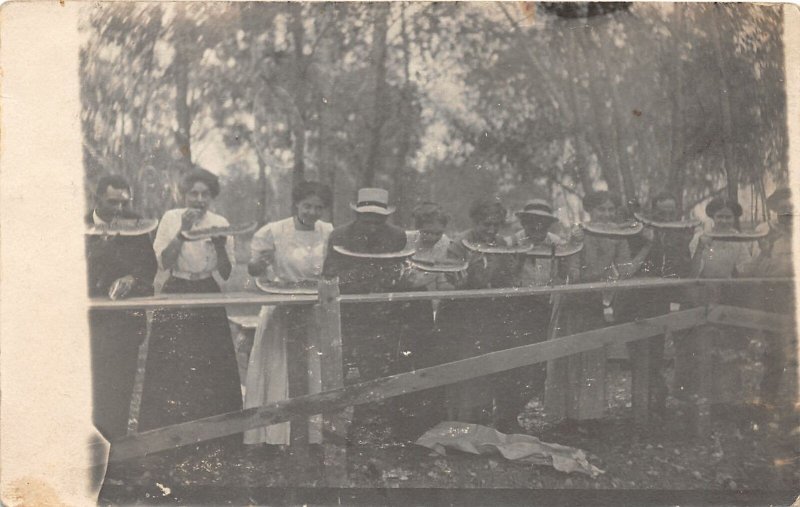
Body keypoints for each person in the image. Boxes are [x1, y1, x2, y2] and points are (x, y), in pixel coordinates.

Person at [138, 168, 242, 452]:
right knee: (171, 363)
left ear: (212, 197)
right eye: (193, 193)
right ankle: (164, 437)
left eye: (204, 194)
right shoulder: (171, 218)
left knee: (211, 364)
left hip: (207, 290)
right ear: (184, 196)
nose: (198, 199)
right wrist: (182, 234)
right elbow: (165, 263)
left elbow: (227, 272)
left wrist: (220, 246)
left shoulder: (220, 222)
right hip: (177, 289)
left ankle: (215, 438)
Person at [321, 188, 421, 441]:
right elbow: (329, 273)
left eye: (378, 220)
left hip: (382, 318)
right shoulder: (339, 235)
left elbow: (401, 272)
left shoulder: (397, 236)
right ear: (357, 215)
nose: (373, 225)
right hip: (347, 315)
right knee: (338, 372)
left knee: (375, 375)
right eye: (367, 219)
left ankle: (365, 430)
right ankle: (331, 430)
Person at [545, 191, 652, 424]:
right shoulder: (578, 232)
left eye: (611, 209)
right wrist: (574, 244)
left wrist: (646, 247)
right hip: (572, 303)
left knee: (592, 360)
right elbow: (572, 274)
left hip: (594, 304)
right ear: (590, 210)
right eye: (601, 209)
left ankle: (588, 417)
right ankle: (563, 419)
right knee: (569, 358)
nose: (606, 214)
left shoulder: (618, 237)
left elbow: (623, 271)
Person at [243, 182, 333, 448]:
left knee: (311, 367)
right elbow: (254, 270)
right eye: (307, 205)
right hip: (281, 305)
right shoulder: (273, 231)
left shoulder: (328, 232)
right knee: (279, 366)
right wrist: (260, 264)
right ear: (297, 204)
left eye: (318, 207)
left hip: (315, 307)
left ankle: (311, 436)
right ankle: (274, 436)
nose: (312, 212)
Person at [435, 198, 524, 432]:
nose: (491, 230)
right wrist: (468, 275)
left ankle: (483, 423)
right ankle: (460, 422)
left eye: (496, 225)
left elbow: (507, 278)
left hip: (491, 315)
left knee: (489, 367)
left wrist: (513, 267)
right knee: (465, 368)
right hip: (461, 316)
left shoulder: (502, 243)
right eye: (486, 225)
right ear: (475, 222)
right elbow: (451, 279)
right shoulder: (460, 243)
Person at [85, 175, 158, 441]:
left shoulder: (135, 225)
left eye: (123, 204)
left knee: (119, 389)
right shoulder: (78, 227)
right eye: (112, 202)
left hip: (124, 324)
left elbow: (149, 267)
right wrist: (99, 250)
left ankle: (116, 451)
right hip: (87, 324)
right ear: (97, 199)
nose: (119, 210)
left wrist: (132, 280)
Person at [677, 198, 755, 409]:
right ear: (712, 217)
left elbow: (745, 269)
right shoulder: (700, 238)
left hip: (726, 295)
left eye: (728, 216)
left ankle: (725, 400)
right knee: (699, 347)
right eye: (720, 216)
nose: (724, 220)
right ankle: (696, 399)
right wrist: (701, 248)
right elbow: (693, 272)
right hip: (700, 295)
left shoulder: (739, 240)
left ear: (734, 218)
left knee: (726, 347)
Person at [624, 192, 694, 422]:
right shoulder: (637, 233)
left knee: (655, 353)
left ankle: (656, 401)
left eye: (670, 212)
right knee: (637, 353)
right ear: (653, 212)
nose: (666, 216)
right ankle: (642, 407)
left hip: (663, 300)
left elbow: (683, 267)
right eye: (661, 212)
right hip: (637, 300)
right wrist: (648, 242)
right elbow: (629, 264)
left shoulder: (680, 235)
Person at [752, 188, 795, 409]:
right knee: (776, 350)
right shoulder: (764, 230)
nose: (787, 213)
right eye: (782, 209)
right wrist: (766, 250)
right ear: (775, 209)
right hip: (773, 294)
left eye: (791, 208)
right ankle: (767, 399)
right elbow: (752, 270)